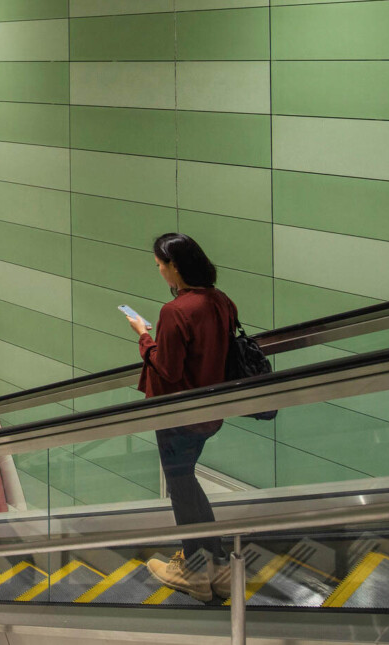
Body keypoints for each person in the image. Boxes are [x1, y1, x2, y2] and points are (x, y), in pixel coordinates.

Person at [130, 233, 238, 602]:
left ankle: (194, 571)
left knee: (180, 486)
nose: (159, 272)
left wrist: (144, 337)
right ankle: (218, 566)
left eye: (160, 266)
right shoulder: (220, 301)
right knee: (186, 481)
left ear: (175, 267)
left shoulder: (174, 312)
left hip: (178, 413)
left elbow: (169, 369)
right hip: (211, 409)